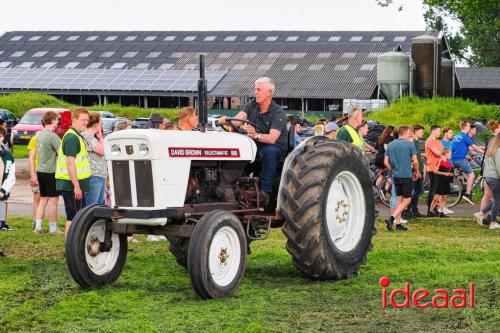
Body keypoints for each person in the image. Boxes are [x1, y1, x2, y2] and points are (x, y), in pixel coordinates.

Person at [218, 77, 287, 207]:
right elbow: (238, 120)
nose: (255, 92)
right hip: (255, 146)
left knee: (269, 151)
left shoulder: (278, 112)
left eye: (259, 89)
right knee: (239, 149)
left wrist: (256, 135)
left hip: (275, 147)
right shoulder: (251, 106)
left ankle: (265, 192)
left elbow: (272, 138)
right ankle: (230, 184)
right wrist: (226, 119)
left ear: (269, 93)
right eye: (255, 89)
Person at [55, 108, 91, 239]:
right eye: (83, 119)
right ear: (74, 119)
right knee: (74, 217)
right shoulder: (72, 138)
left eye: (87, 120)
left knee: (77, 216)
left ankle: (73, 246)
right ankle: (71, 247)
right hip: (71, 185)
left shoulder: (76, 135)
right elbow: (70, 163)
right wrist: (76, 186)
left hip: (75, 184)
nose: (86, 122)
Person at [384, 126, 419, 231]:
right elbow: (415, 161)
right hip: (406, 175)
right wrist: (416, 171)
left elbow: (385, 162)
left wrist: (391, 170)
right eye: (409, 132)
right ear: (404, 133)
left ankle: (398, 225)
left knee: (399, 199)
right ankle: (392, 218)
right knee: (407, 200)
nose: (410, 134)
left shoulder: (390, 144)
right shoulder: (410, 144)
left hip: (395, 176)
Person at [33, 111, 62, 234]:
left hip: (40, 170)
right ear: (53, 120)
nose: (58, 122)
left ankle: (38, 227)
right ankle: (53, 228)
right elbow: (61, 153)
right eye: (57, 120)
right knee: (53, 200)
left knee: (43, 199)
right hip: (51, 171)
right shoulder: (52, 136)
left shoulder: (38, 135)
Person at [451, 121, 485, 204]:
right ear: (466, 126)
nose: (470, 127)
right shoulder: (464, 136)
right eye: (469, 126)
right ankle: (467, 194)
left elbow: (469, 147)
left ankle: (464, 187)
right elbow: (475, 148)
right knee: (472, 175)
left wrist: (480, 148)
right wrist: (487, 153)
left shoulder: (457, 136)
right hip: (460, 159)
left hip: (454, 158)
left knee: (466, 174)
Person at [475, 121, 500, 225]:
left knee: (494, 198)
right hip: (493, 175)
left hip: (488, 174)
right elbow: (498, 164)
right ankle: (489, 219)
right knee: (493, 198)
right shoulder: (495, 143)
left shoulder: (491, 142)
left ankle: (484, 214)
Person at [82, 113, 107, 205]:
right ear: (96, 124)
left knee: (99, 205)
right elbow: (104, 151)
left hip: (99, 175)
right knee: (92, 205)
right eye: (100, 123)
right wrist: (100, 136)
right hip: (94, 175)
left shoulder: (92, 137)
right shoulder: (87, 137)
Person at [429, 148, 454, 218]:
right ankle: (441, 212)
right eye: (450, 154)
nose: (450, 156)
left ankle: (431, 211)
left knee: (439, 198)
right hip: (440, 182)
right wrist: (445, 173)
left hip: (446, 182)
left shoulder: (448, 163)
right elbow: (435, 171)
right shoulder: (440, 161)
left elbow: (447, 172)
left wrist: (449, 174)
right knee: (440, 197)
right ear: (445, 154)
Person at [425, 125, 444, 216]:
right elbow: (439, 153)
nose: (440, 133)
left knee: (437, 189)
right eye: (438, 131)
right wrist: (443, 153)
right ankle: (430, 210)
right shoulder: (430, 141)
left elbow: (444, 152)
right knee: (433, 189)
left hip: (438, 167)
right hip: (432, 167)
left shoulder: (437, 141)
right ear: (433, 131)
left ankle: (434, 209)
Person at [0, 127, 15, 231]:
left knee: (1, 224)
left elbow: (11, 176)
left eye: (0, 136)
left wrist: (3, 190)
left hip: (1, 196)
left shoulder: (8, 156)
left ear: (3, 137)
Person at [408, 125, 425, 218]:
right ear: (414, 132)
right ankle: (411, 209)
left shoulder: (416, 142)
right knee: (416, 190)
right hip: (416, 170)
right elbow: (412, 157)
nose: (422, 133)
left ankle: (413, 209)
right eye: (421, 132)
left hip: (419, 169)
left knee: (418, 190)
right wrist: (416, 170)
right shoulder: (412, 142)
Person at [28, 135, 41, 227]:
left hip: (50, 171)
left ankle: (40, 221)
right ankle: (35, 221)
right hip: (38, 171)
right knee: (37, 197)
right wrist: (33, 175)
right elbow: (31, 158)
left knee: (48, 199)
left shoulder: (54, 137)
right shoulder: (35, 138)